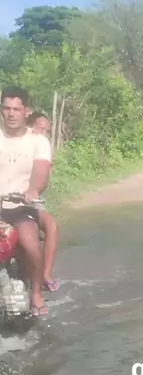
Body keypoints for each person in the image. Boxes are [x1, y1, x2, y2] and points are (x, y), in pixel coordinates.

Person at [0, 86, 52, 316]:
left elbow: (41, 172)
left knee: (30, 241)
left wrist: (33, 190)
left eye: (16, 109)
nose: (11, 114)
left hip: (21, 205)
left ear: (26, 111)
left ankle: (37, 293)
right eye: (6, 109)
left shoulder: (37, 141)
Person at [26, 112, 60, 292]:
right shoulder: (17, 142)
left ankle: (45, 275)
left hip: (30, 201)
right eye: (41, 129)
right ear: (29, 126)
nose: (44, 134)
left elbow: (42, 180)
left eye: (46, 131)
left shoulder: (43, 148)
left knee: (51, 225)